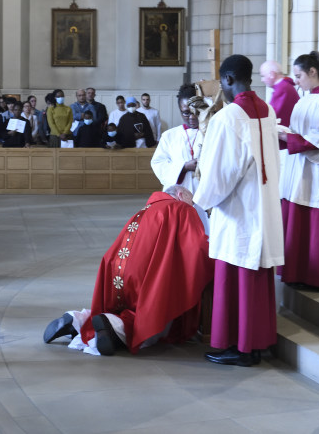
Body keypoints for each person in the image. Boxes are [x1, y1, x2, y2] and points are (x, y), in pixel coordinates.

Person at [43, 186, 214, 356]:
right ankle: (112, 325)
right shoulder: (181, 207)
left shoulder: (147, 209)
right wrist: (215, 259)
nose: (193, 206)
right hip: (146, 274)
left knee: (124, 306)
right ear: (180, 194)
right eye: (192, 201)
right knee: (153, 323)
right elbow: (197, 246)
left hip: (115, 269)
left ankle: (76, 320)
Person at [193, 54, 284, 367]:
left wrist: (199, 200)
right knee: (255, 277)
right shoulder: (267, 110)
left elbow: (221, 173)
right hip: (265, 206)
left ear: (228, 80)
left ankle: (242, 348)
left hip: (240, 211)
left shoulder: (228, 118)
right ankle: (255, 342)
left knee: (238, 276)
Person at [278, 51, 319, 290]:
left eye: (298, 75)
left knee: (316, 230)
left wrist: (286, 136)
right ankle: (296, 273)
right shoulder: (305, 98)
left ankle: (317, 278)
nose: (295, 81)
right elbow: (298, 133)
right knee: (297, 224)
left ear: (313, 72)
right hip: (300, 171)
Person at [151, 84, 203, 192]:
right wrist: (184, 167)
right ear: (180, 110)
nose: (192, 117)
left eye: (196, 112)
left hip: (204, 192)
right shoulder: (169, 136)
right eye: (186, 113)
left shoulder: (210, 133)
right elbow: (158, 163)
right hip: (178, 192)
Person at [259, 60, 299, 127]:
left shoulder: (282, 88)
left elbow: (271, 115)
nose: (262, 80)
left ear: (272, 74)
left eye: (263, 76)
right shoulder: (284, 85)